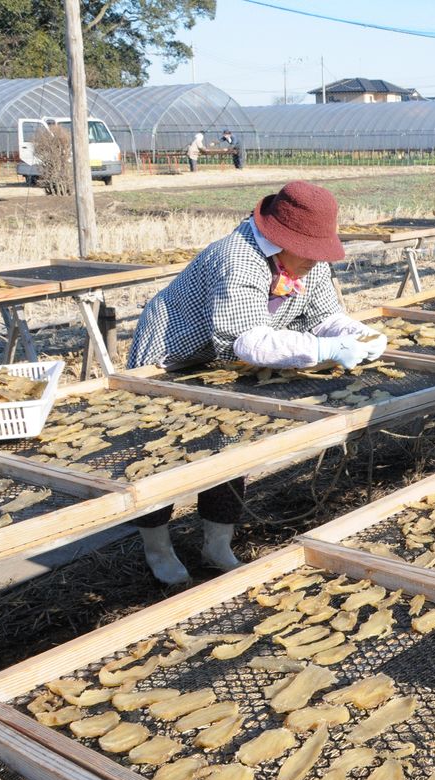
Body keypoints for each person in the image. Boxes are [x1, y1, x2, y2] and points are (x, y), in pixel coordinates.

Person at [127, 181, 387, 585]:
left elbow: (324, 316)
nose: (317, 261)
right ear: (280, 237)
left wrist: (357, 333)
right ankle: (157, 548)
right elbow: (248, 340)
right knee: (162, 456)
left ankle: (216, 547)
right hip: (171, 361)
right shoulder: (239, 257)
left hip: (224, 365)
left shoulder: (306, 263)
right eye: (310, 250)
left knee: (227, 446)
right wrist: (324, 350)